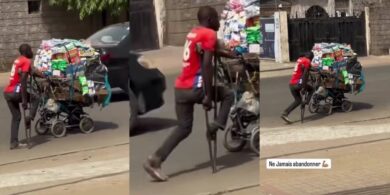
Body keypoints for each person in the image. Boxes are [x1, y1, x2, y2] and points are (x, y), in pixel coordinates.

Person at [143, 6, 237, 181]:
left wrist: (227, 54)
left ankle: (155, 160)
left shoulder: (194, 32)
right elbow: (207, 65)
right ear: (210, 20)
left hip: (180, 88)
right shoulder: (209, 34)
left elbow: (203, 52)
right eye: (216, 18)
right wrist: (208, 95)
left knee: (183, 128)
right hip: (195, 88)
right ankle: (216, 126)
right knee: (228, 94)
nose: (219, 22)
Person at [4, 44, 43, 149]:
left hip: (7, 92)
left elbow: (31, 72)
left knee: (16, 117)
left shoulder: (19, 60)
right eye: (30, 50)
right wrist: (25, 100)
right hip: (16, 92)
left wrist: (42, 74)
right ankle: (29, 117)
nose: (32, 51)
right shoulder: (26, 61)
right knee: (36, 97)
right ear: (26, 51)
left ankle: (13, 143)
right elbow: (23, 80)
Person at [281, 51, 314, 124]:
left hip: (291, 84)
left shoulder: (300, 59)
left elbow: (303, 69)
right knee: (311, 89)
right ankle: (306, 102)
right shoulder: (307, 61)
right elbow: (305, 74)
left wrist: (311, 68)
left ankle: (285, 113)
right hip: (298, 83)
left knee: (298, 100)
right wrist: (303, 86)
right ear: (311, 58)